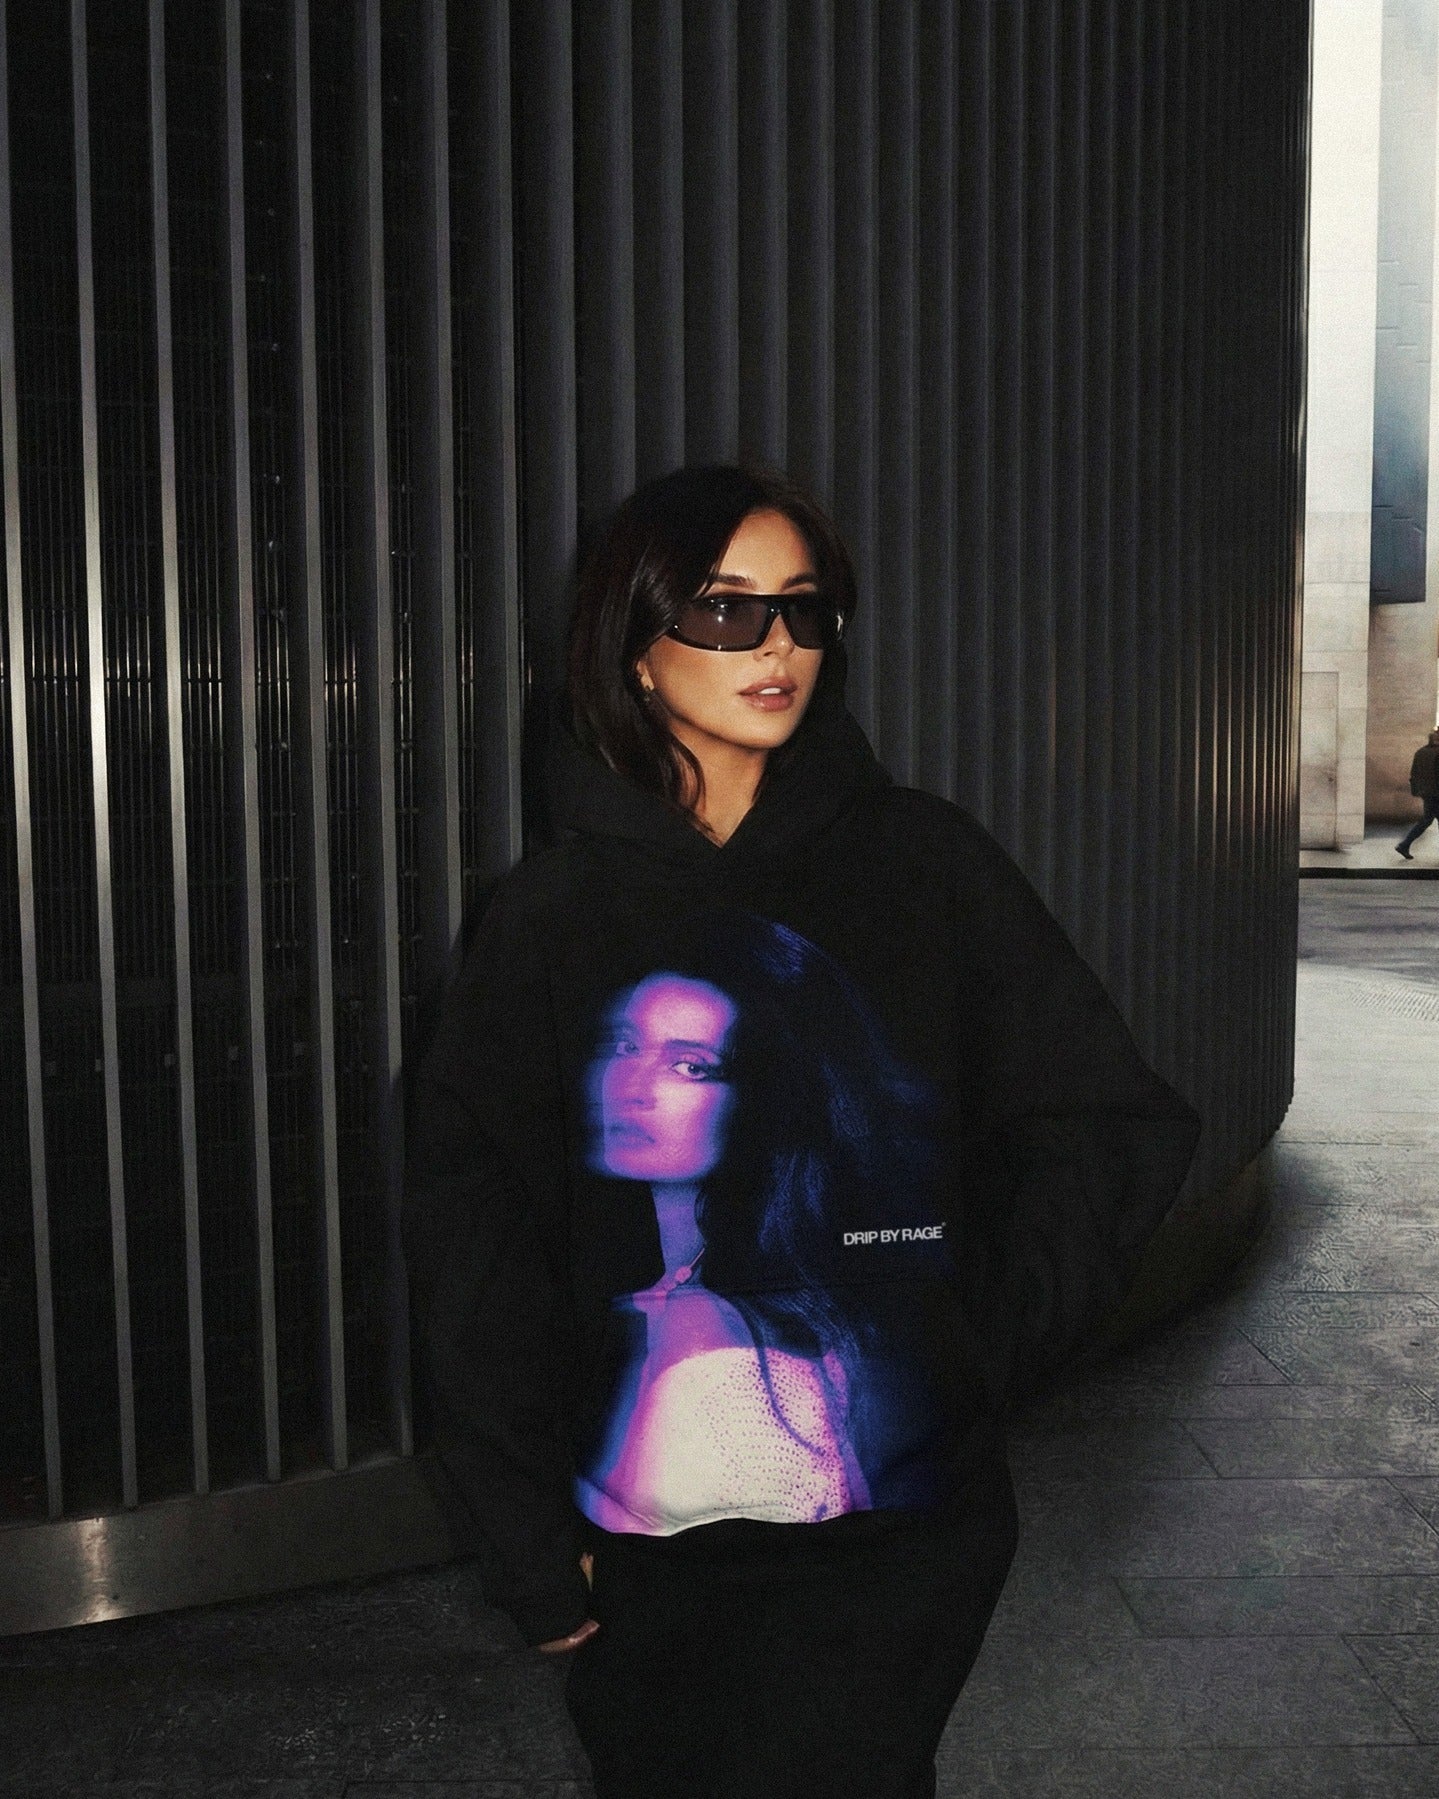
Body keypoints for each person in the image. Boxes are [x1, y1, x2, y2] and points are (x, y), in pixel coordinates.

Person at [403, 465, 1200, 1799]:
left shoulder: (923, 864)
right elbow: (472, 1239)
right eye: (725, 611)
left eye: (802, 610)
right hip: (644, 1544)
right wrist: (527, 1537)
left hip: (887, 1541)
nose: (774, 645)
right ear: (634, 646)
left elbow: (1104, 1122)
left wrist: (964, 1351)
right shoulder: (549, 915)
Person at [1395, 726, 1439, 858]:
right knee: (1426, 820)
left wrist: (1419, 790)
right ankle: (1404, 845)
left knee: (1426, 820)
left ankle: (1404, 845)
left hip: (1426, 793)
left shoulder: (1420, 752)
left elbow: (1414, 774)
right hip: (1436, 793)